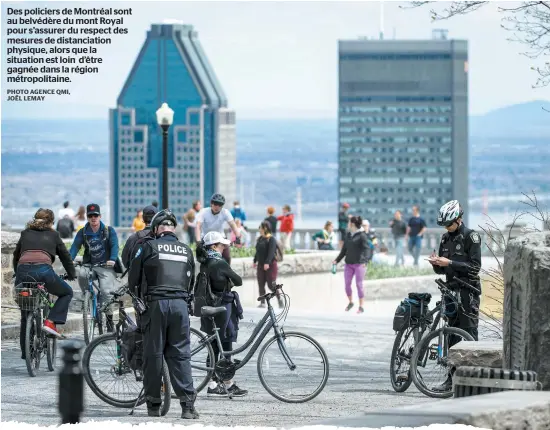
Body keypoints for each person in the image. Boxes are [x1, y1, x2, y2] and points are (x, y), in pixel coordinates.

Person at [128, 209, 199, 419]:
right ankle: (187, 406)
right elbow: (191, 282)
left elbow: (133, 279)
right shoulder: (186, 250)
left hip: (156, 306)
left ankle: (153, 405)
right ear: (173, 229)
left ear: (156, 228)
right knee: (180, 355)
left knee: (154, 355)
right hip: (180, 307)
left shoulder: (148, 246)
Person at [428, 200, 482, 392]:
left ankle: (473, 381)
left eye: (449, 224)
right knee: (450, 335)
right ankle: (451, 380)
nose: (447, 228)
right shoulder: (445, 239)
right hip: (450, 291)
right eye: (444, 225)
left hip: (468, 292)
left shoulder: (471, 237)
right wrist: (436, 263)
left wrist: (450, 262)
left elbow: (475, 267)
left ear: (459, 219)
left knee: (468, 333)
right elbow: (442, 270)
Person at [13, 208, 76, 345]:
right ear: (51, 222)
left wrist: (16, 272)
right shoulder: (53, 235)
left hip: (22, 272)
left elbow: (16, 256)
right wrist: (72, 274)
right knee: (67, 293)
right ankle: (50, 321)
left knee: (25, 313)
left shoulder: (25, 233)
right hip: (43, 272)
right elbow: (65, 257)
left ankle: (26, 352)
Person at [196, 231, 248, 397]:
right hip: (222, 308)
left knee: (214, 347)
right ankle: (223, 384)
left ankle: (218, 383)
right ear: (214, 246)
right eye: (222, 245)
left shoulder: (205, 261)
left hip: (210, 307)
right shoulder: (219, 262)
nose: (224, 247)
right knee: (225, 346)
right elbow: (238, 280)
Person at [69, 203, 119, 331]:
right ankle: (89, 298)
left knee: (106, 292)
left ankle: (108, 321)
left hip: (105, 265)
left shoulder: (108, 230)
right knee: (81, 275)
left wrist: (112, 259)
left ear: (100, 216)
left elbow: (115, 246)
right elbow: (75, 246)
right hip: (89, 264)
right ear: (87, 217)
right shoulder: (84, 232)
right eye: (90, 216)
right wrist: (69, 259)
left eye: (95, 215)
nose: (93, 218)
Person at [332, 216, 371, 314]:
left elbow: (367, 249)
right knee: (347, 285)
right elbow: (344, 250)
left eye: (349, 222)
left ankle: (361, 306)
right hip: (348, 264)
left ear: (352, 224)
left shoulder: (362, 235)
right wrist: (336, 260)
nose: (348, 224)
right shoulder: (348, 235)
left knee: (359, 285)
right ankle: (350, 302)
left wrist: (365, 261)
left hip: (359, 264)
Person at [195, 194, 243, 265]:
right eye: (215, 204)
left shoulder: (225, 212)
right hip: (206, 239)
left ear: (222, 206)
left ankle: (226, 274)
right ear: (211, 203)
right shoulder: (204, 212)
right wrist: (198, 241)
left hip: (220, 238)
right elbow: (198, 226)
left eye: (220, 205)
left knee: (227, 257)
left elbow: (233, 225)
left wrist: (238, 237)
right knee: (203, 260)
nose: (217, 206)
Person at [254, 221, 282, 308]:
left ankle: (279, 299)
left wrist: (267, 263)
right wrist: (254, 261)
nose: (260, 229)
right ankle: (262, 302)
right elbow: (258, 251)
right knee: (261, 284)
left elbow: (271, 252)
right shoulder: (260, 239)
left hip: (270, 265)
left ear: (265, 228)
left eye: (261, 228)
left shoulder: (271, 239)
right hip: (260, 265)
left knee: (271, 284)